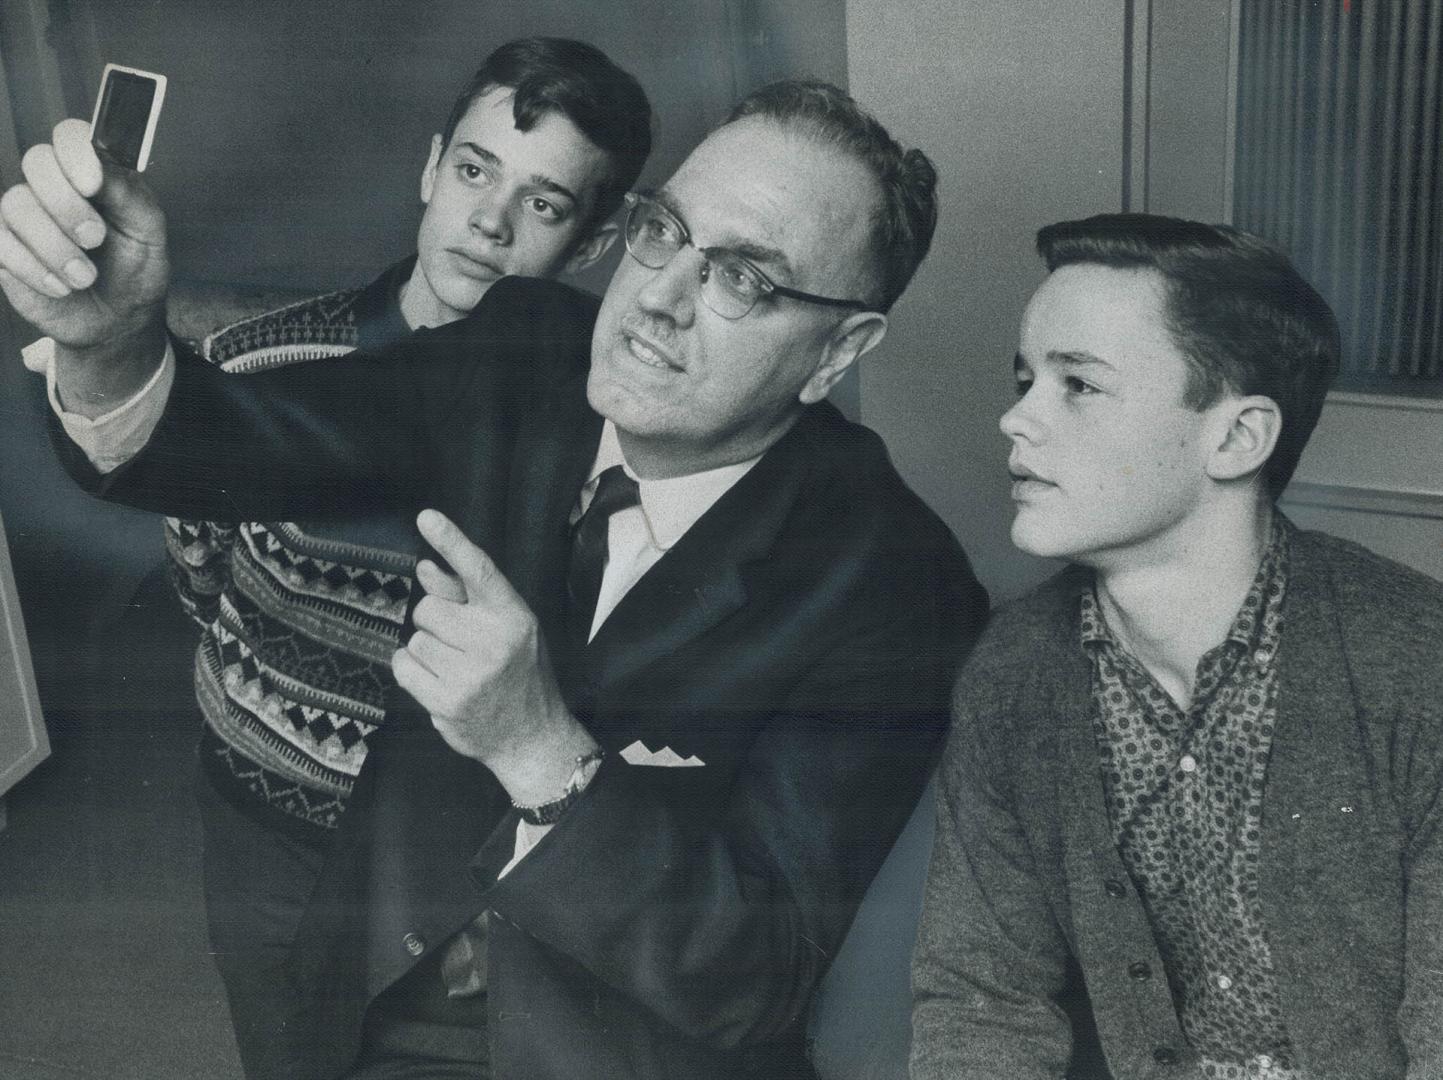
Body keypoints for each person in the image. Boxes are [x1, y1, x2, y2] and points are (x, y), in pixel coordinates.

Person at [2, 80, 988, 1078]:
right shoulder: (519, 351)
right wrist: (110, 342)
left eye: (743, 281)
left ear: (840, 350)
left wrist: (542, 751)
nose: (656, 299)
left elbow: (756, 975)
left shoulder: (900, 590)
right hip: (375, 997)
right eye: (664, 232)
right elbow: (244, 439)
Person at [10, 36, 651, 1080]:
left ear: (588, 244)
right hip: (269, 826)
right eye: (476, 170)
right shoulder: (265, 360)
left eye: (543, 204)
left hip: (462, 851)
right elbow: (201, 574)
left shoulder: (599, 407)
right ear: (430, 168)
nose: (487, 223)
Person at [910, 214, 1443, 1080]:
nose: (1016, 419)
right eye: (1024, 378)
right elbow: (984, 999)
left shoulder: (1420, 664)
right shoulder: (1013, 672)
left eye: (1077, 385)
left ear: (1235, 439)